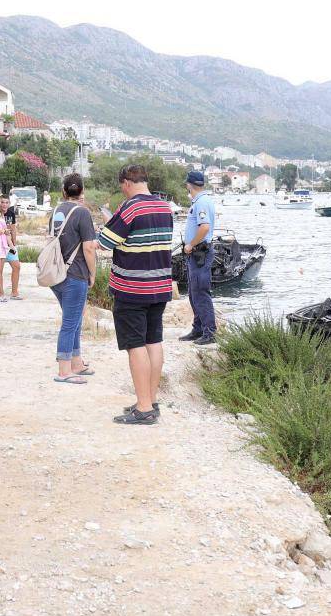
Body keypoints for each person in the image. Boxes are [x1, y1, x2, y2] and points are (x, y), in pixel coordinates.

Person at [96, 163, 174, 424]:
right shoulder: (165, 206)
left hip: (132, 287)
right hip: (160, 286)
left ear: (126, 183)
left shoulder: (130, 207)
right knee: (154, 341)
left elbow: (105, 242)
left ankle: (143, 408)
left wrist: (110, 221)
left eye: (122, 187)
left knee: (135, 345)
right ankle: (150, 400)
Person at [48, 173, 97, 384]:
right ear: (82, 191)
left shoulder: (56, 211)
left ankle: (76, 363)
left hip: (56, 275)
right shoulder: (83, 213)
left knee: (74, 319)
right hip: (75, 274)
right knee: (70, 323)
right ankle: (64, 370)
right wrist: (92, 273)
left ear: (64, 191)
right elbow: (88, 247)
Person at [179, 169, 217, 345]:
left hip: (199, 252)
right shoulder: (202, 200)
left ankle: (210, 332)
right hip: (196, 253)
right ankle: (198, 328)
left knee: (200, 292)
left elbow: (204, 227)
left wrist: (190, 244)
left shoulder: (201, 202)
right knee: (194, 293)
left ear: (189, 185)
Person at [2, 198, 23, 299]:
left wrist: (14, 243)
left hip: (10, 245)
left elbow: (13, 229)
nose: (4, 204)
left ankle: (14, 293)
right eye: (2, 202)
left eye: (6, 202)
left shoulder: (11, 213)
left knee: (16, 266)